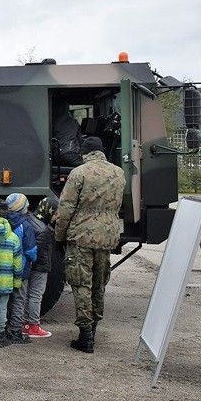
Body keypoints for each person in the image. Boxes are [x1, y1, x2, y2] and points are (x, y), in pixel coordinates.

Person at [55, 135, 125, 353]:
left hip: (81, 236)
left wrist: (60, 235)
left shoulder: (79, 173)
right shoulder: (118, 172)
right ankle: (94, 327)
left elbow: (65, 208)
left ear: (84, 152)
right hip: (108, 236)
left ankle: (85, 335)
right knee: (99, 283)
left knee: (81, 283)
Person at [0, 202, 24, 347]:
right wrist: (17, 282)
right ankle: (0, 335)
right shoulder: (13, 238)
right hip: (5, 280)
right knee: (1, 307)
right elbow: (18, 264)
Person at [2, 193, 37, 345]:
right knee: (19, 299)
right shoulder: (25, 225)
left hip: (3, 267)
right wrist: (34, 258)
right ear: (21, 207)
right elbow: (31, 251)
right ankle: (15, 330)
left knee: (3, 299)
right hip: (20, 269)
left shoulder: (3, 221)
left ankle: (1, 329)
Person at [24, 196, 59, 338]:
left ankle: (24, 323)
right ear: (48, 211)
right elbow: (37, 252)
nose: (56, 217)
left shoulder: (31, 220)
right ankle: (33, 326)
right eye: (56, 213)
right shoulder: (43, 230)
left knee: (26, 295)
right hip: (40, 268)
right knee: (36, 296)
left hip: (31, 266)